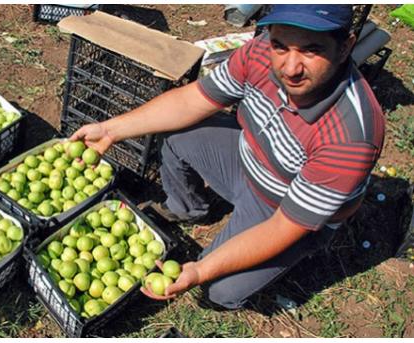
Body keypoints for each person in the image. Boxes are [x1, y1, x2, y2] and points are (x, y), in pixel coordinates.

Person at [70, 4, 385, 310]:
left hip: (283, 210)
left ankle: (289, 255)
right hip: (245, 159)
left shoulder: (352, 136)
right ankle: (188, 208)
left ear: (345, 48)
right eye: (281, 46)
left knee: (218, 291)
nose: (290, 68)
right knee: (179, 133)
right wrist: (110, 131)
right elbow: (193, 100)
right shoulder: (260, 52)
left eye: (311, 50)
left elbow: (282, 228)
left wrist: (200, 270)